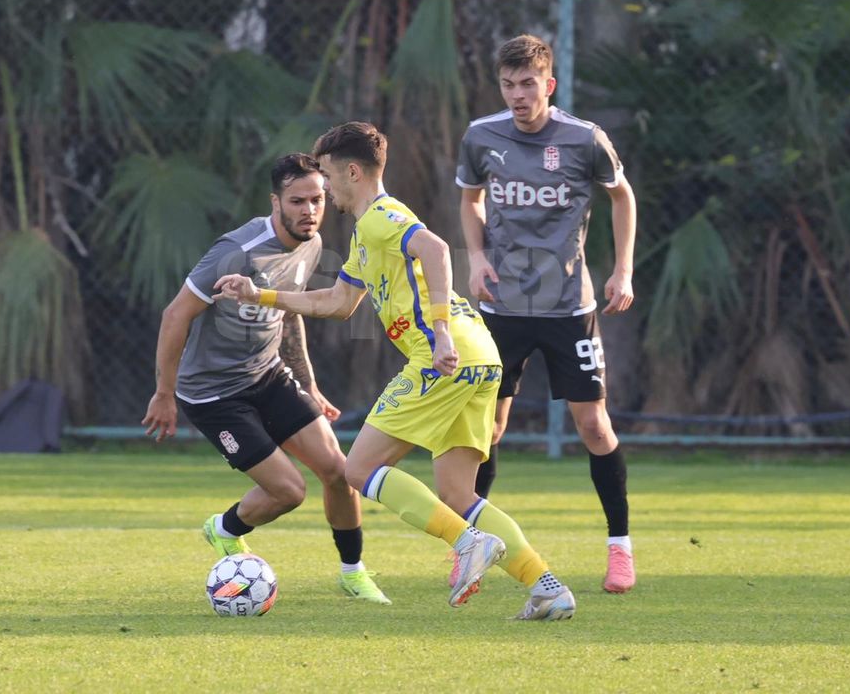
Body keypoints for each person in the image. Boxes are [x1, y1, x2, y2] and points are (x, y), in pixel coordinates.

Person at [216, 122, 575, 620]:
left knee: (357, 470)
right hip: (479, 356)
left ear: (353, 172)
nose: (325, 189)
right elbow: (337, 301)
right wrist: (260, 295)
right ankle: (547, 588)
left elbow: (436, 249)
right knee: (458, 494)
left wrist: (440, 332)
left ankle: (467, 542)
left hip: (443, 355)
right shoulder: (367, 232)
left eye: (327, 177)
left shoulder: (384, 216)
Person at [142, 152, 390, 604]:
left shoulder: (311, 243)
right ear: (275, 202)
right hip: (214, 394)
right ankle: (224, 528)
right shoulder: (236, 252)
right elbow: (175, 314)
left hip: (268, 374)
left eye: (317, 199)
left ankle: (353, 573)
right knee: (289, 492)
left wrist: (309, 384)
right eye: (297, 201)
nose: (309, 210)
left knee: (340, 471)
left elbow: (288, 310)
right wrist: (164, 392)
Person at [456, 33, 638, 594]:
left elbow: (622, 196)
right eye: (508, 84)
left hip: (568, 307)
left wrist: (623, 270)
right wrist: (477, 258)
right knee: (488, 429)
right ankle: (471, 548)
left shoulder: (584, 139)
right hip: (502, 306)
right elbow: (470, 199)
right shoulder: (482, 136)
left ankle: (620, 548)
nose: (518, 94)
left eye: (528, 84)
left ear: (549, 84)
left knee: (594, 425)